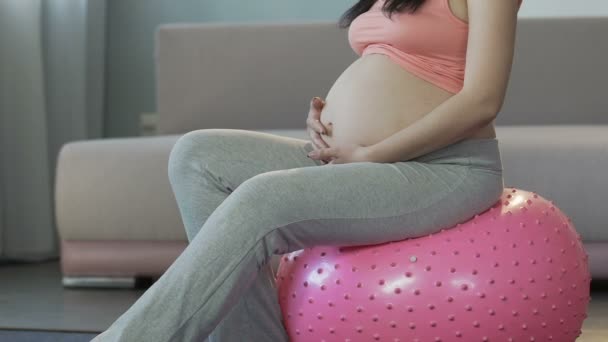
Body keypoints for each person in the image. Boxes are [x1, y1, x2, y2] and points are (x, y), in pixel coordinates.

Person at [92, 0, 523, 341]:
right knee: (198, 155)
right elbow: (394, 69)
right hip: (360, 160)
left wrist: (373, 151)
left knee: (264, 197)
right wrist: (327, 117)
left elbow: (482, 100)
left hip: (444, 169)